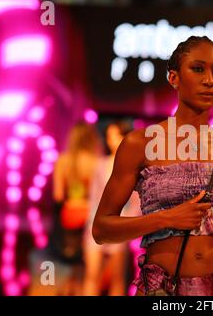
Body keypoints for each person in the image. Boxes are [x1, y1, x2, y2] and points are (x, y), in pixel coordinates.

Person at [92, 36, 213, 296]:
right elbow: (101, 229)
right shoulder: (140, 143)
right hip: (165, 290)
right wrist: (166, 218)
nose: (209, 80)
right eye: (198, 68)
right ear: (173, 78)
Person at [83, 121, 140, 296]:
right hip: (97, 222)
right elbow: (93, 198)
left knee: (117, 277)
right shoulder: (101, 164)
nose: (112, 141)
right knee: (92, 275)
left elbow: (136, 202)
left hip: (119, 223)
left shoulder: (133, 168)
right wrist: (90, 224)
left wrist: (127, 224)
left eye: (116, 136)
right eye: (109, 136)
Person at [51, 121, 101, 295]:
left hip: (69, 215)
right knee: (84, 269)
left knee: (66, 265)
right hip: (89, 216)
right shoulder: (96, 162)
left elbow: (57, 196)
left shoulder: (62, 161)